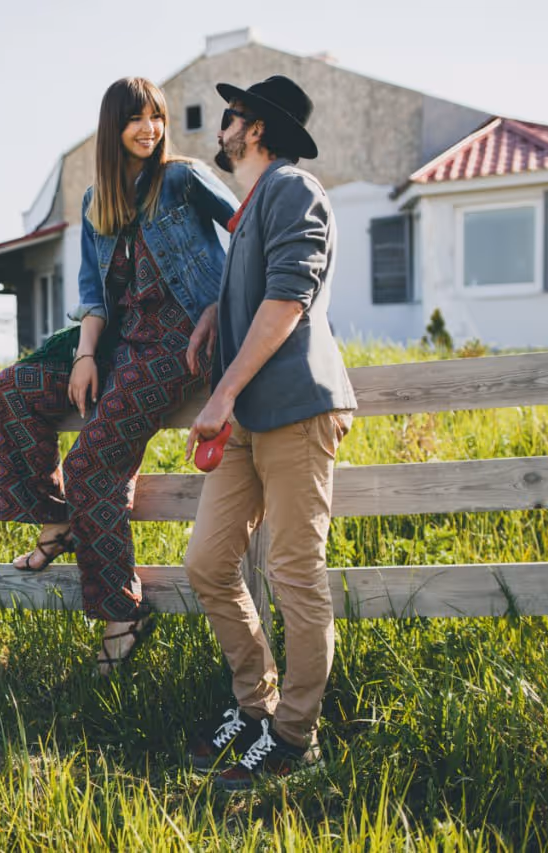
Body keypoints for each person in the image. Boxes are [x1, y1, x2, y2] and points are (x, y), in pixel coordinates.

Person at [0, 77, 237, 674]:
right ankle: (57, 518)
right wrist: (82, 357)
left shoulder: (182, 178)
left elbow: (248, 232)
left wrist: (221, 305)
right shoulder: (95, 201)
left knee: (90, 463)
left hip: (180, 342)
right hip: (121, 344)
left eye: (156, 117)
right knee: (16, 387)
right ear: (113, 127)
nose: (149, 129)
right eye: (136, 119)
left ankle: (121, 612)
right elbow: (92, 295)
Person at [181, 75, 357, 789]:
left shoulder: (293, 188)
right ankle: (257, 704)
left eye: (230, 116)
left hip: (293, 407)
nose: (220, 126)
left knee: (293, 573)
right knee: (208, 563)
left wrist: (221, 392)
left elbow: (290, 296)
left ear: (253, 128)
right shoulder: (252, 206)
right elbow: (258, 292)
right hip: (252, 417)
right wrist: (216, 314)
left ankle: (295, 736)